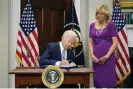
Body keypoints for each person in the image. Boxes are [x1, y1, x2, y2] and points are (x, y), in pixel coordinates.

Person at [88, 5, 118, 88]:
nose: (98, 15)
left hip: (108, 57)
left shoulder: (110, 25)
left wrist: (107, 56)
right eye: (97, 13)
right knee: (98, 82)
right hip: (96, 58)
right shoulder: (91, 25)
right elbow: (90, 42)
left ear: (106, 15)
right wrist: (92, 55)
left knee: (109, 82)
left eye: (101, 14)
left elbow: (115, 43)